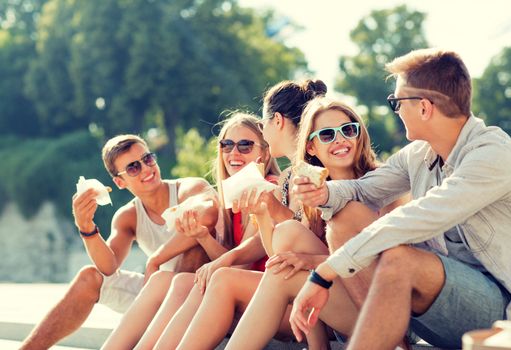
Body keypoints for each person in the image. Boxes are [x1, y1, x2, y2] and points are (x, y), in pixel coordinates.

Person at [291, 48, 511, 350]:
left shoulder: (492, 154)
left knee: (401, 259)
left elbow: (420, 216)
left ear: (423, 107)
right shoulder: (420, 154)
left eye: (396, 102)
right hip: (437, 306)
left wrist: (323, 274)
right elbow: (364, 189)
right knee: (344, 218)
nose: (395, 110)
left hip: (500, 317)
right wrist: (324, 192)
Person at [224, 97, 410, 350]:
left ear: (359, 135)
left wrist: (310, 261)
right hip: (343, 308)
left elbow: (391, 263)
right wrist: (262, 214)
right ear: (311, 147)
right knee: (287, 239)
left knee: (285, 257)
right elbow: (281, 253)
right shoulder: (314, 194)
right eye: (326, 135)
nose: (340, 140)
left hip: (388, 309)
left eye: (348, 130)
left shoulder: (384, 182)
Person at [168, 80, 332, 350]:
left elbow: (296, 246)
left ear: (276, 121)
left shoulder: (314, 174)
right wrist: (265, 216)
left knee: (220, 280)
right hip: (298, 289)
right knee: (203, 280)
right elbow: (279, 252)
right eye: (227, 145)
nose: (263, 130)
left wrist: (269, 214)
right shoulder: (291, 177)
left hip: (323, 297)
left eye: (263, 124)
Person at [21, 134, 219, 350]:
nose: (146, 169)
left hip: (198, 290)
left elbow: (208, 213)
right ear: (119, 182)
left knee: (193, 250)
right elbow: (108, 268)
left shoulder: (188, 189)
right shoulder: (129, 216)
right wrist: (86, 227)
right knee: (89, 277)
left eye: (148, 159)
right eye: (133, 167)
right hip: (157, 291)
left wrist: (156, 259)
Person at [101, 112, 280, 349]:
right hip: (237, 287)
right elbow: (229, 265)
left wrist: (158, 257)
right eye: (226, 145)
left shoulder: (269, 189)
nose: (233, 153)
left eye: (245, 145)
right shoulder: (233, 196)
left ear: (264, 153)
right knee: (170, 280)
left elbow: (238, 267)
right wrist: (203, 237)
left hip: (269, 294)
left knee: (194, 283)